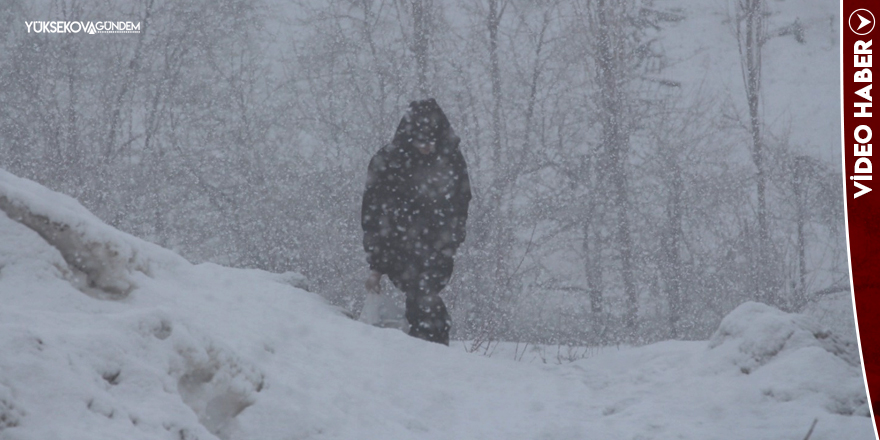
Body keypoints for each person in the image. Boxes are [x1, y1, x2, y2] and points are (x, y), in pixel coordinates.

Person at [361, 98, 471, 345]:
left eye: (431, 142)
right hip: (399, 248)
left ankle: (426, 349)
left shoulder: (450, 161)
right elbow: (374, 215)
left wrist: (450, 240)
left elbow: (461, 204)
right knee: (422, 300)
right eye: (420, 142)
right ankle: (429, 350)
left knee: (424, 299)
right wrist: (376, 265)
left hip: (436, 247)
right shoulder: (388, 162)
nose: (426, 148)